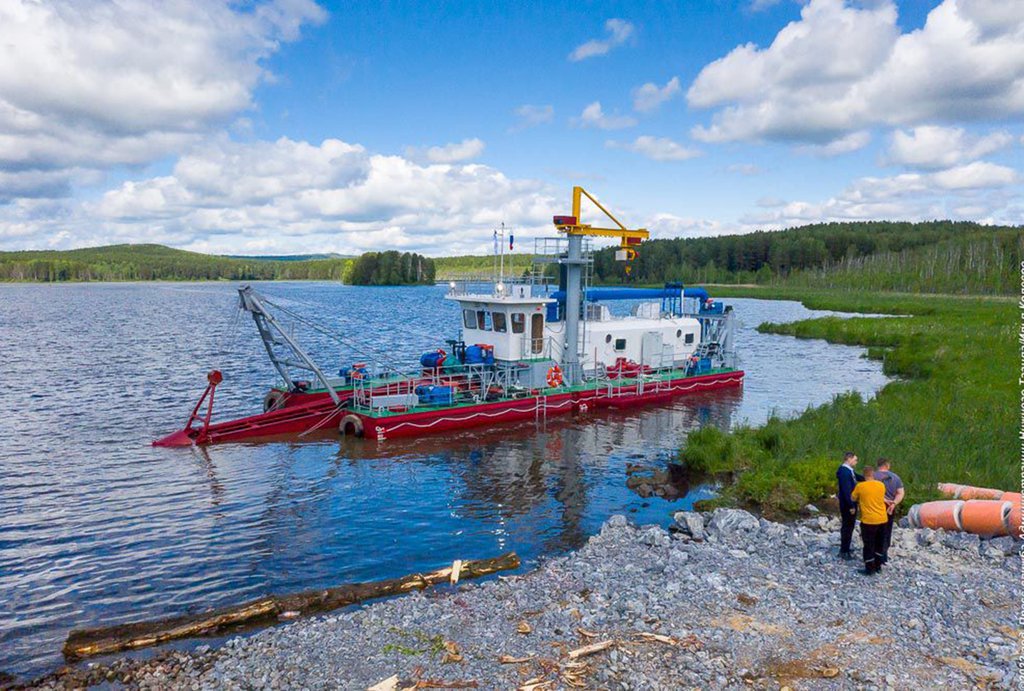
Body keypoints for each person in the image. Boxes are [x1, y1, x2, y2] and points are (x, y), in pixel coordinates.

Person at [851, 466, 889, 575]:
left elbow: (853, 498)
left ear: (864, 475)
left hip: (869, 520)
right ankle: (878, 566)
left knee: (868, 544)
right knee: (879, 543)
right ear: (873, 475)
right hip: (882, 518)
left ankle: (869, 569)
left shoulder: (860, 486)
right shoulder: (881, 485)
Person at [874, 458, 904, 564]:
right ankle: (883, 555)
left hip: (876, 506)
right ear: (887, 465)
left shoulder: (872, 476)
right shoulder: (895, 477)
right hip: (890, 507)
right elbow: (900, 492)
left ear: (878, 465)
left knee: (875, 530)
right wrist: (894, 503)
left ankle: (874, 554)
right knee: (886, 531)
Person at [836, 452, 863, 560]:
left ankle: (846, 547)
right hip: (848, 503)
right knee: (847, 526)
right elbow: (846, 490)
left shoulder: (849, 471)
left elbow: (857, 477)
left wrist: (870, 478)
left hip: (850, 501)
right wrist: (851, 505)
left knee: (850, 526)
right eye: (855, 460)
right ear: (849, 459)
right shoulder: (844, 472)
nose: (856, 462)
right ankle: (844, 550)